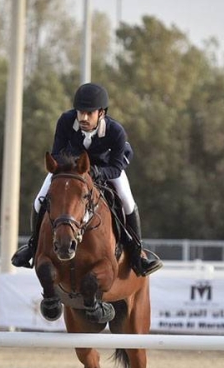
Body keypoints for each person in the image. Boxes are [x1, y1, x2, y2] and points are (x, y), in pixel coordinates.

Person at [10, 82, 163, 277]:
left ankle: (137, 254)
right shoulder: (66, 121)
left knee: (127, 200)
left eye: (89, 113)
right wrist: (71, 170)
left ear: (101, 113)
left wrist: (96, 172)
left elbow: (116, 167)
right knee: (39, 199)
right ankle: (32, 247)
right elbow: (56, 154)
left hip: (106, 169)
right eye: (80, 112)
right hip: (72, 168)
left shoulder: (115, 131)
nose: (83, 118)